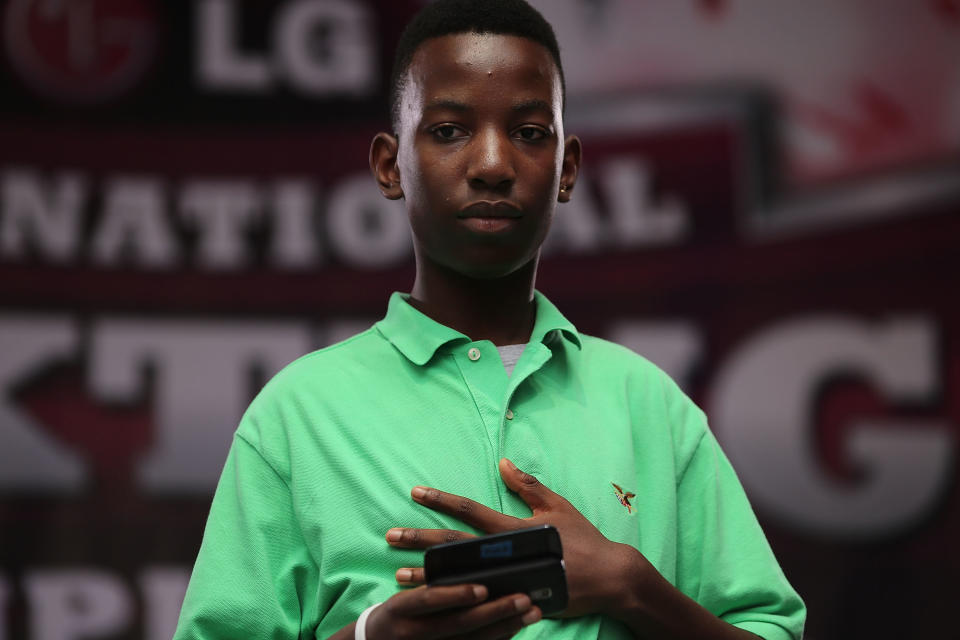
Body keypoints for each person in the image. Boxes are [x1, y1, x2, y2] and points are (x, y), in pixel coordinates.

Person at [173, 1, 806, 638]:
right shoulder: (296, 417)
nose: (494, 164)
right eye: (449, 129)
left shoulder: (653, 409)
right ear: (391, 166)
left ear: (567, 168)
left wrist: (630, 586)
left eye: (530, 132)